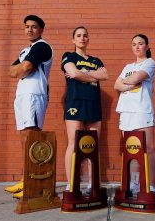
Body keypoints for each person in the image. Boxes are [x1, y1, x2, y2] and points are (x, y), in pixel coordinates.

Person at [5, 15, 53, 199]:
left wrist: (21, 70)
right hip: (22, 96)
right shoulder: (26, 50)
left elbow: (24, 69)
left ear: (41, 30)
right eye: (27, 27)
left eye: (34, 27)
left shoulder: (42, 46)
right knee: (24, 138)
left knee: (32, 137)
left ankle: (33, 183)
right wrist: (21, 70)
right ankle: (26, 179)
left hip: (34, 94)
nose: (30, 30)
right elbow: (12, 71)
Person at [61, 26, 109, 193]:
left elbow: (105, 75)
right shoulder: (68, 56)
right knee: (74, 143)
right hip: (75, 102)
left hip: (94, 103)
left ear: (88, 39)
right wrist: (92, 77)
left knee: (92, 144)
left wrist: (84, 73)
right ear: (73, 40)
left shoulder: (96, 60)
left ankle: (92, 183)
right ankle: (71, 183)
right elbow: (73, 73)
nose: (82, 38)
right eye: (79, 36)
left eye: (85, 36)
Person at [114, 34, 155, 197]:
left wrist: (126, 82)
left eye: (140, 44)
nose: (137, 47)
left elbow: (137, 77)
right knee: (131, 150)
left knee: (148, 148)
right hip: (126, 112)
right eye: (134, 44)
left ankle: (152, 186)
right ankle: (134, 184)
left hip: (142, 110)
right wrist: (128, 85)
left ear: (147, 46)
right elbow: (116, 84)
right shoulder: (127, 66)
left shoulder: (150, 63)